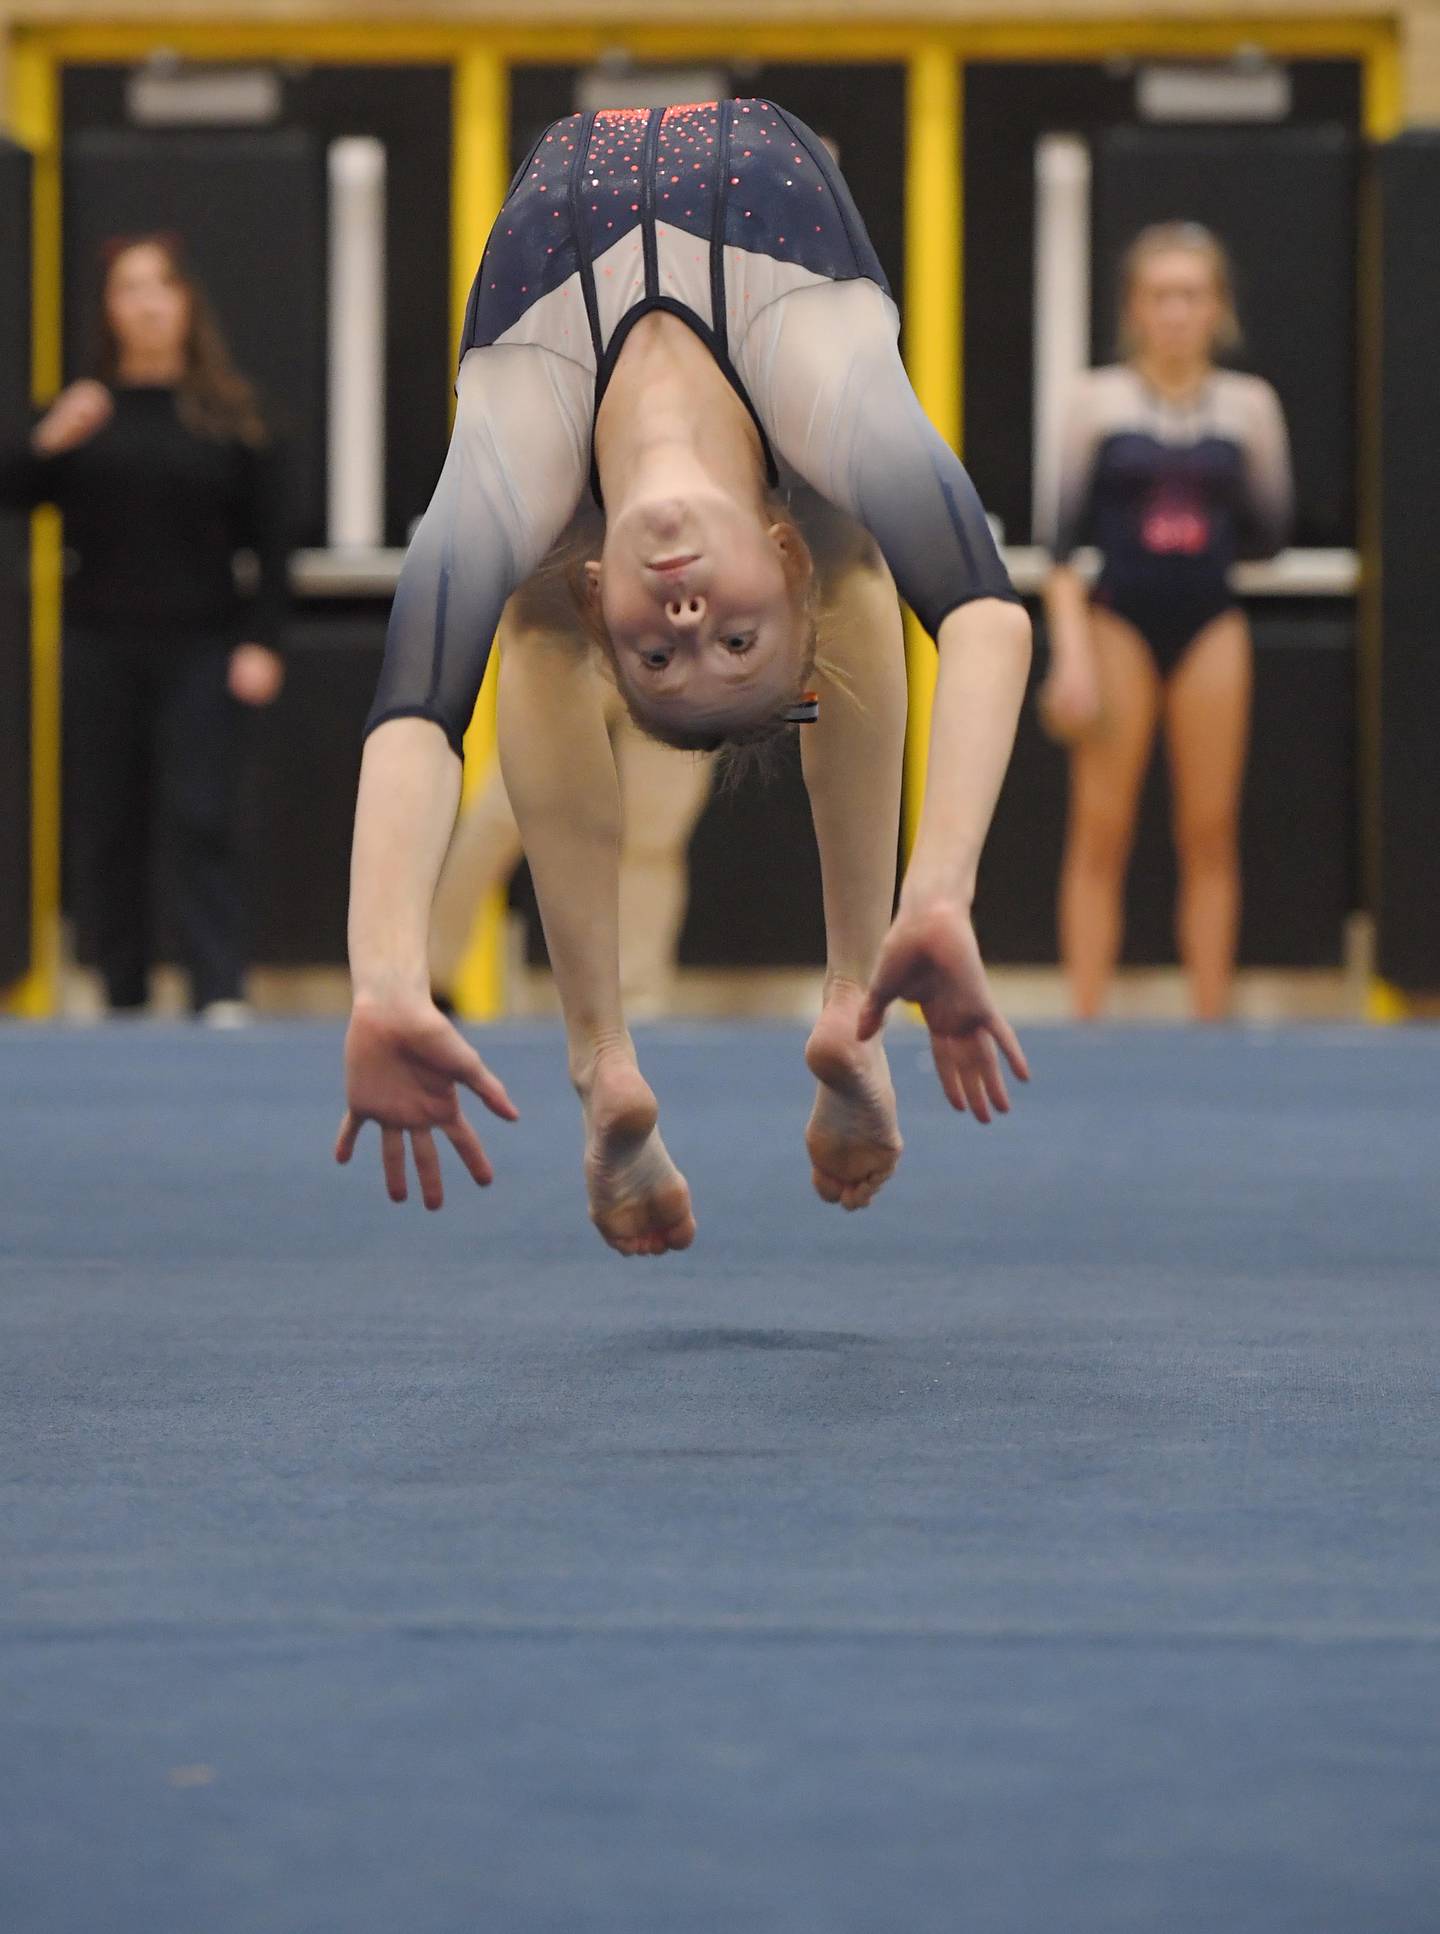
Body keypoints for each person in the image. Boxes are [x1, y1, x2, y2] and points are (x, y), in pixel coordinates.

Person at [337, 99, 1033, 1251]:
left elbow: (414, 712)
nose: (689, 616)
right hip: (787, 409)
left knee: (525, 608)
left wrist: (383, 978)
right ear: (775, 556)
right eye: (737, 642)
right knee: (859, 556)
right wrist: (941, 886)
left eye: (658, 653)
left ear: (610, 595)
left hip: (571, 459)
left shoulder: (524, 438)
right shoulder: (820, 376)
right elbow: (981, 611)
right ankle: (853, 1004)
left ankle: (600, 1061)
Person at [0, 233, 288, 1020]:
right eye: (128, 289)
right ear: (108, 309)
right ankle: (120, 989)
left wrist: (262, 640)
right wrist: (46, 439)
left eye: (160, 286)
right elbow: (16, 487)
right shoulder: (84, 408)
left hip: (203, 645)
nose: (147, 304)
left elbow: (271, 542)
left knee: (204, 815)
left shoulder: (229, 414)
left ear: (186, 302)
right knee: (107, 822)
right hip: (100, 645)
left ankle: (219, 986)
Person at [1038, 222, 1293, 1021]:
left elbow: (1271, 526)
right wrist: (1071, 657)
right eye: (1160, 296)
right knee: (1100, 829)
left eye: (1191, 295)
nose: (1176, 312)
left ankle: (1210, 1022)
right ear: (1134, 309)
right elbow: (1059, 544)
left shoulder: (1249, 406)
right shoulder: (1095, 400)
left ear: (1217, 308)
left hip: (1210, 621)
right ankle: (1086, 1019)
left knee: (1210, 830)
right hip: (1117, 622)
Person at [428, 556, 714, 1021]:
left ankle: (637, 998)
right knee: (511, 806)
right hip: (567, 618)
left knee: (655, 832)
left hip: (681, 634)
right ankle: (426, 971)